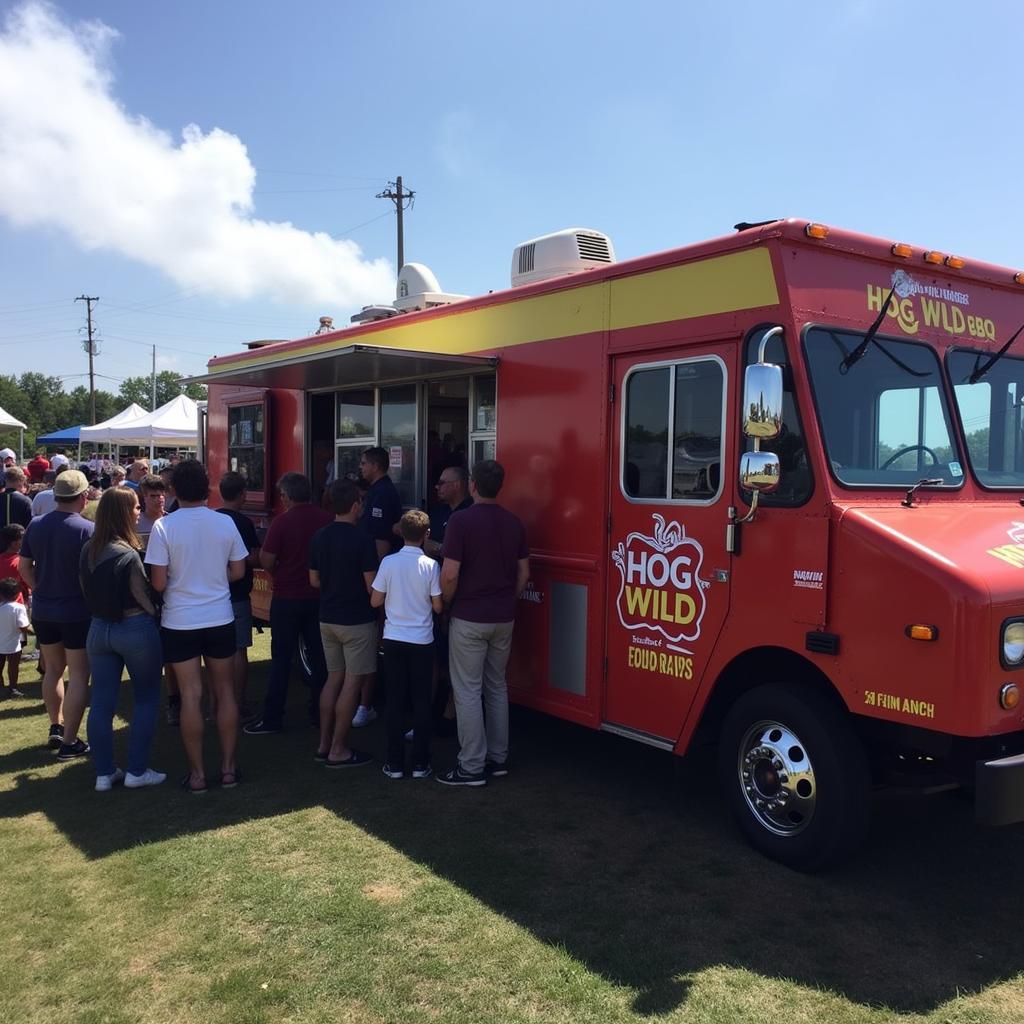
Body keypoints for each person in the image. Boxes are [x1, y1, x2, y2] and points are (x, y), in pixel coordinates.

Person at [145, 460, 247, 793]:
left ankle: (199, 774)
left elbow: (158, 584)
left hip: (180, 621)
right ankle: (229, 769)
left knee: (191, 696)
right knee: (225, 692)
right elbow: (238, 572)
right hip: (219, 617)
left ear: (174, 490)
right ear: (208, 488)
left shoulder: (164, 527)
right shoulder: (224, 523)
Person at [437, 460, 529, 786]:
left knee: (466, 691)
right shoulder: (514, 522)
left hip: (469, 616)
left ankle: (471, 766)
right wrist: (507, 600)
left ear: (472, 485)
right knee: (496, 687)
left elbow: (449, 573)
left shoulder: (461, 521)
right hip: (503, 617)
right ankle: (498, 759)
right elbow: (524, 574)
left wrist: (446, 603)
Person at [80, 487, 166, 792]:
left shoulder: (88, 548)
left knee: (101, 703)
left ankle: (104, 773)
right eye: (134, 507)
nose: (139, 511)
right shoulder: (128, 554)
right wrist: (157, 615)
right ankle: (137, 771)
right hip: (134, 628)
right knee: (146, 699)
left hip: (98, 630)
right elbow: (143, 597)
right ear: (122, 513)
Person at [244, 472, 331, 736]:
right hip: (318, 599)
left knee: (281, 660)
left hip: (286, 599)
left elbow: (267, 561)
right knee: (320, 660)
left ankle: (272, 718)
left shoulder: (281, 523)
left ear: (287, 496)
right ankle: (319, 713)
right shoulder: (326, 519)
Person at [19, 469, 95, 758]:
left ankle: (56, 725)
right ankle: (70, 741)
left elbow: (25, 568)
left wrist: (41, 588)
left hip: (44, 609)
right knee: (78, 674)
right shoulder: (87, 529)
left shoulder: (36, 525)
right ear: (83, 496)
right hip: (76, 611)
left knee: (52, 670)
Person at [308, 480, 378, 768]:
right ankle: (339, 749)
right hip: (357, 620)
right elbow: (372, 586)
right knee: (352, 682)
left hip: (327, 617)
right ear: (355, 506)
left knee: (333, 678)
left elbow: (313, 580)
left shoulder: (319, 536)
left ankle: (324, 744)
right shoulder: (363, 539)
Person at [371, 509, 442, 780]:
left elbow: (375, 601)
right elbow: (437, 605)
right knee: (421, 701)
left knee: (395, 701)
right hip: (422, 640)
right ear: (426, 535)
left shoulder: (388, 563)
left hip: (394, 639)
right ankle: (422, 762)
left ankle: (395, 762)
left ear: (400, 532)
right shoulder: (431, 565)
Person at [352, 446, 402, 726]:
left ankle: (365, 704)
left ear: (375, 465)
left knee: (372, 641)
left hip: (375, 580)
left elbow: (381, 544)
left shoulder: (383, 493)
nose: (360, 468)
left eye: (363, 463)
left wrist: (374, 583)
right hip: (372, 577)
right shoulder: (375, 491)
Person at [216, 472, 261, 719]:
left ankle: (218, 704)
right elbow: (251, 558)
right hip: (238, 595)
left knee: (216, 653)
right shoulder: (243, 523)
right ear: (243, 494)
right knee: (239, 650)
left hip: (214, 596)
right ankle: (238, 703)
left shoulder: (212, 519)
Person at [0, 577, 29, 698]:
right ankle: (13, 688)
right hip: (14, 644)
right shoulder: (19, 608)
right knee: (13, 667)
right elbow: (23, 626)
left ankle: (1, 687)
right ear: (17, 594)